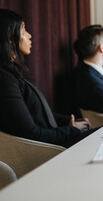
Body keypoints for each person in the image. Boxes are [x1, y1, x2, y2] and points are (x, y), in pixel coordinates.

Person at [0, 9, 95, 148]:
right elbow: (32, 134)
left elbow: (38, 114)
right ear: (9, 38)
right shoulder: (5, 79)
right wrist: (73, 130)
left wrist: (68, 121)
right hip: (49, 151)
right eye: (24, 30)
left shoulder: (10, 74)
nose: (29, 35)